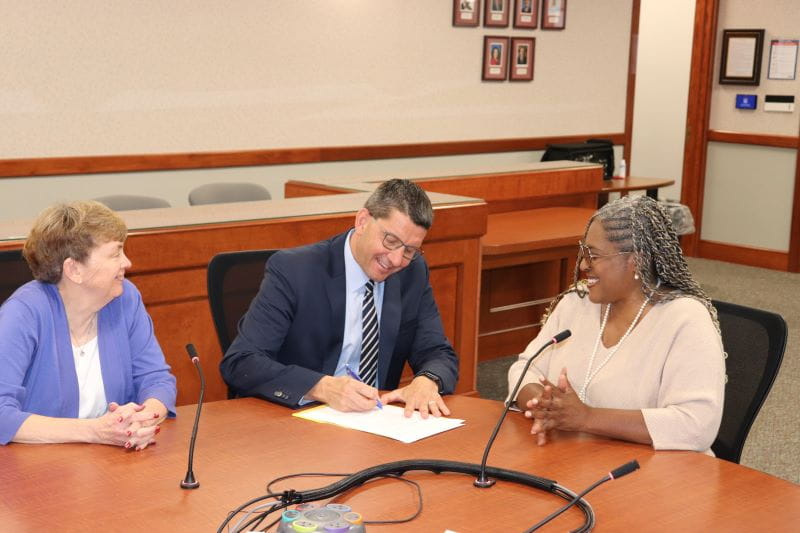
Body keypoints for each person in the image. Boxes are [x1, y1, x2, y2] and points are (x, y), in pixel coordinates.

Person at [220, 179, 459, 418]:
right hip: (298, 419)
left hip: (376, 421)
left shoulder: (412, 272)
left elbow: (437, 352)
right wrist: (322, 387)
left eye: (409, 250)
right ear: (362, 221)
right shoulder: (294, 271)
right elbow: (241, 362)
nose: (397, 260)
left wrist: (427, 381)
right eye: (390, 241)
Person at [507, 196, 725, 453]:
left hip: (658, 469)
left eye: (594, 255)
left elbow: (696, 425)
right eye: (583, 252)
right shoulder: (576, 302)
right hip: (573, 459)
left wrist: (586, 418)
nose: (583, 264)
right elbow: (523, 368)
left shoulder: (685, 319)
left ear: (636, 261)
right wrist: (545, 405)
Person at [0, 201, 177, 449]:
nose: (127, 263)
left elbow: (156, 380)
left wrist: (141, 420)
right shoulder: (23, 313)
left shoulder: (125, 298)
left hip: (112, 461)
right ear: (74, 269)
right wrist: (95, 431)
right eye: (115, 254)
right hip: (36, 463)